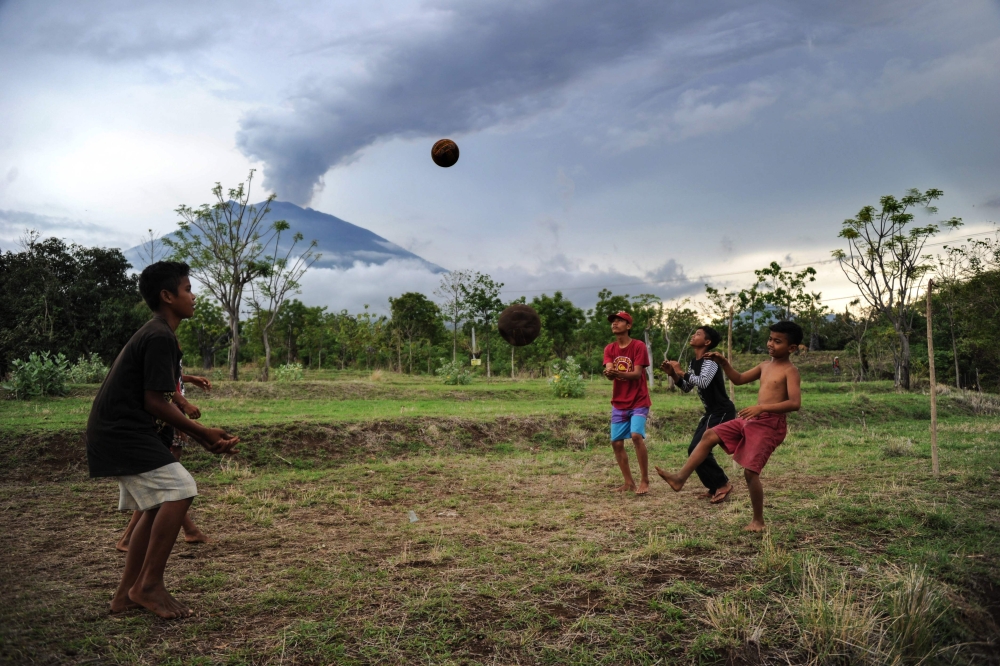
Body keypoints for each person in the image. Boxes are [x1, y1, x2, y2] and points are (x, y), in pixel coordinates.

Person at [86, 261, 238, 619]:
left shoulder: (159, 334)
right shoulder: (158, 336)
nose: (193, 295)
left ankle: (125, 595)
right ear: (167, 296)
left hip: (119, 430)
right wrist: (201, 434)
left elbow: (164, 392)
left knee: (155, 505)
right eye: (187, 289)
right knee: (181, 488)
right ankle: (149, 584)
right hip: (122, 432)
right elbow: (154, 401)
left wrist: (198, 430)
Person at [655, 321, 803, 531]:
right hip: (751, 419)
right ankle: (679, 478)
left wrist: (762, 408)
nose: (771, 343)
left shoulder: (790, 371)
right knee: (709, 435)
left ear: (792, 348)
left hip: (770, 424)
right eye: (770, 339)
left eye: (777, 341)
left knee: (750, 473)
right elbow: (739, 379)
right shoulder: (764, 366)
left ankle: (758, 521)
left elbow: (795, 404)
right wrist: (724, 363)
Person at [116, 369, 213, 553]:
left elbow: (168, 379)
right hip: (166, 418)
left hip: (169, 417)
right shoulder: (162, 343)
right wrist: (182, 411)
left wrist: (190, 379)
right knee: (166, 484)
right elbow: (161, 386)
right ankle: (129, 537)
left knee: (167, 485)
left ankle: (190, 530)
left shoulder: (166, 349)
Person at [659, 326, 735, 504]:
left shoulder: (710, 360)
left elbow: (704, 382)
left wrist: (680, 372)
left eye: (698, 334)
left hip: (722, 412)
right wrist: (674, 376)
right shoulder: (694, 363)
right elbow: (687, 387)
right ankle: (714, 486)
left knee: (698, 449)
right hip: (711, 413)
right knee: (695, 449)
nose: (694, 336)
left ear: (707, 342)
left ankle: (722, 484)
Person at [603, 311, 652, 495]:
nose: (615, 324)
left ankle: (645, 480)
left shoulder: (638, 346)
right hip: (619, 402)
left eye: (619, 321)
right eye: (613, 321)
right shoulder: (609, 348)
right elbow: (609, 369)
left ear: (629, 326)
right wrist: (609, 372)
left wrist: (617, 373)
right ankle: (628, 482)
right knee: (616, 443)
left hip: (639, 400)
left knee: (636, 436)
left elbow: (637, 374)